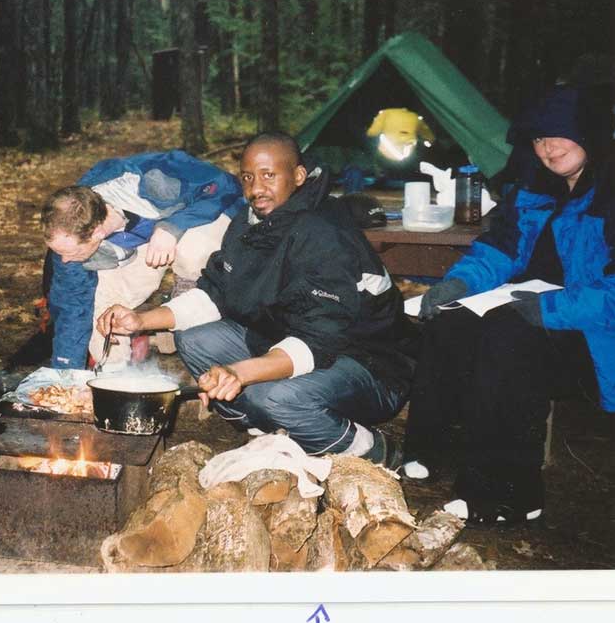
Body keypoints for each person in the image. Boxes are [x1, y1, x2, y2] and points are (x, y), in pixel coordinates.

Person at [96, 132, 416, 462]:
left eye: (268, 175)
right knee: (193, 339)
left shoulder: (324, 233)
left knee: (272, 396)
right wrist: (141, 321)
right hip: (286, 338)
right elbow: (213, 294)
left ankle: (371, 449)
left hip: (368, 364)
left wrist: (241, 373)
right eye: (248, 177)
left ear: (298, 176)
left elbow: (319, 341)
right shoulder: (250, 223)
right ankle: (267, 429)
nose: (256, 188)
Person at [404, 85, 615, 525]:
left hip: (597, 337)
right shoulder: (536, 189)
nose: (548, 148)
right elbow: (501, 251)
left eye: (559, 134)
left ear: (590, 133)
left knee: (509, 337)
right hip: (530, 312)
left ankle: (509, 494)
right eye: (539, 139)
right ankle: (430, 451)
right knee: (451, 321)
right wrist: (457, 284)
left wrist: (547, 309)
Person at [41, 150, 245, 369]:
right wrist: (64, 372)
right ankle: (114, 376)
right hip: (138, 243)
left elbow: (224, 186)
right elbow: (73, 308)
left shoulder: (152, 180)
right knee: (101, 299)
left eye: (69, 252)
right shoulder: (71, 235)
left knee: (193, 248)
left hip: (199, 221)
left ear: (97, 233)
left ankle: (190, 301)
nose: (63, 260)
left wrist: (172, 228)